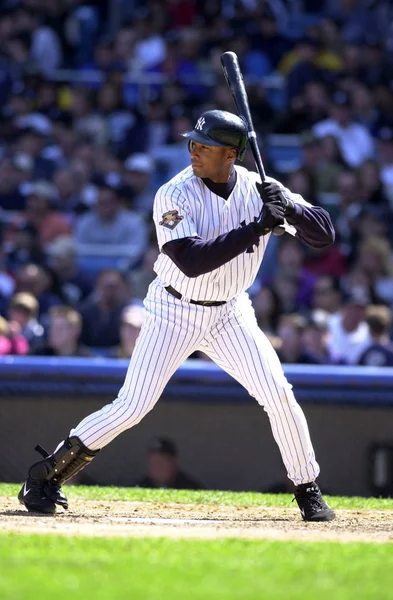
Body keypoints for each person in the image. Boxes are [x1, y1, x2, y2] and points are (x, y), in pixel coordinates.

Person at [17, 109, 335, 522]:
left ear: (232, 156)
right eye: (193, 142)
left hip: (231, 313)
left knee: (278, 393)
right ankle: (46, 477)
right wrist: (256, 228)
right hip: (174, 308)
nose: (194, 151)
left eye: (206, 146)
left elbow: (324, 235)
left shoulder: (261, 188)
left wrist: (289, 211)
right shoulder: (174, 192)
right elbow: (190, 260)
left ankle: (307, 488)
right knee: (134, 405)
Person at [135, 437, 204, 490]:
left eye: (161, 462)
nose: (157, 467)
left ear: (174, 462)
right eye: (153, 462)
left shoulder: (189, 487)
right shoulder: (140, 487)